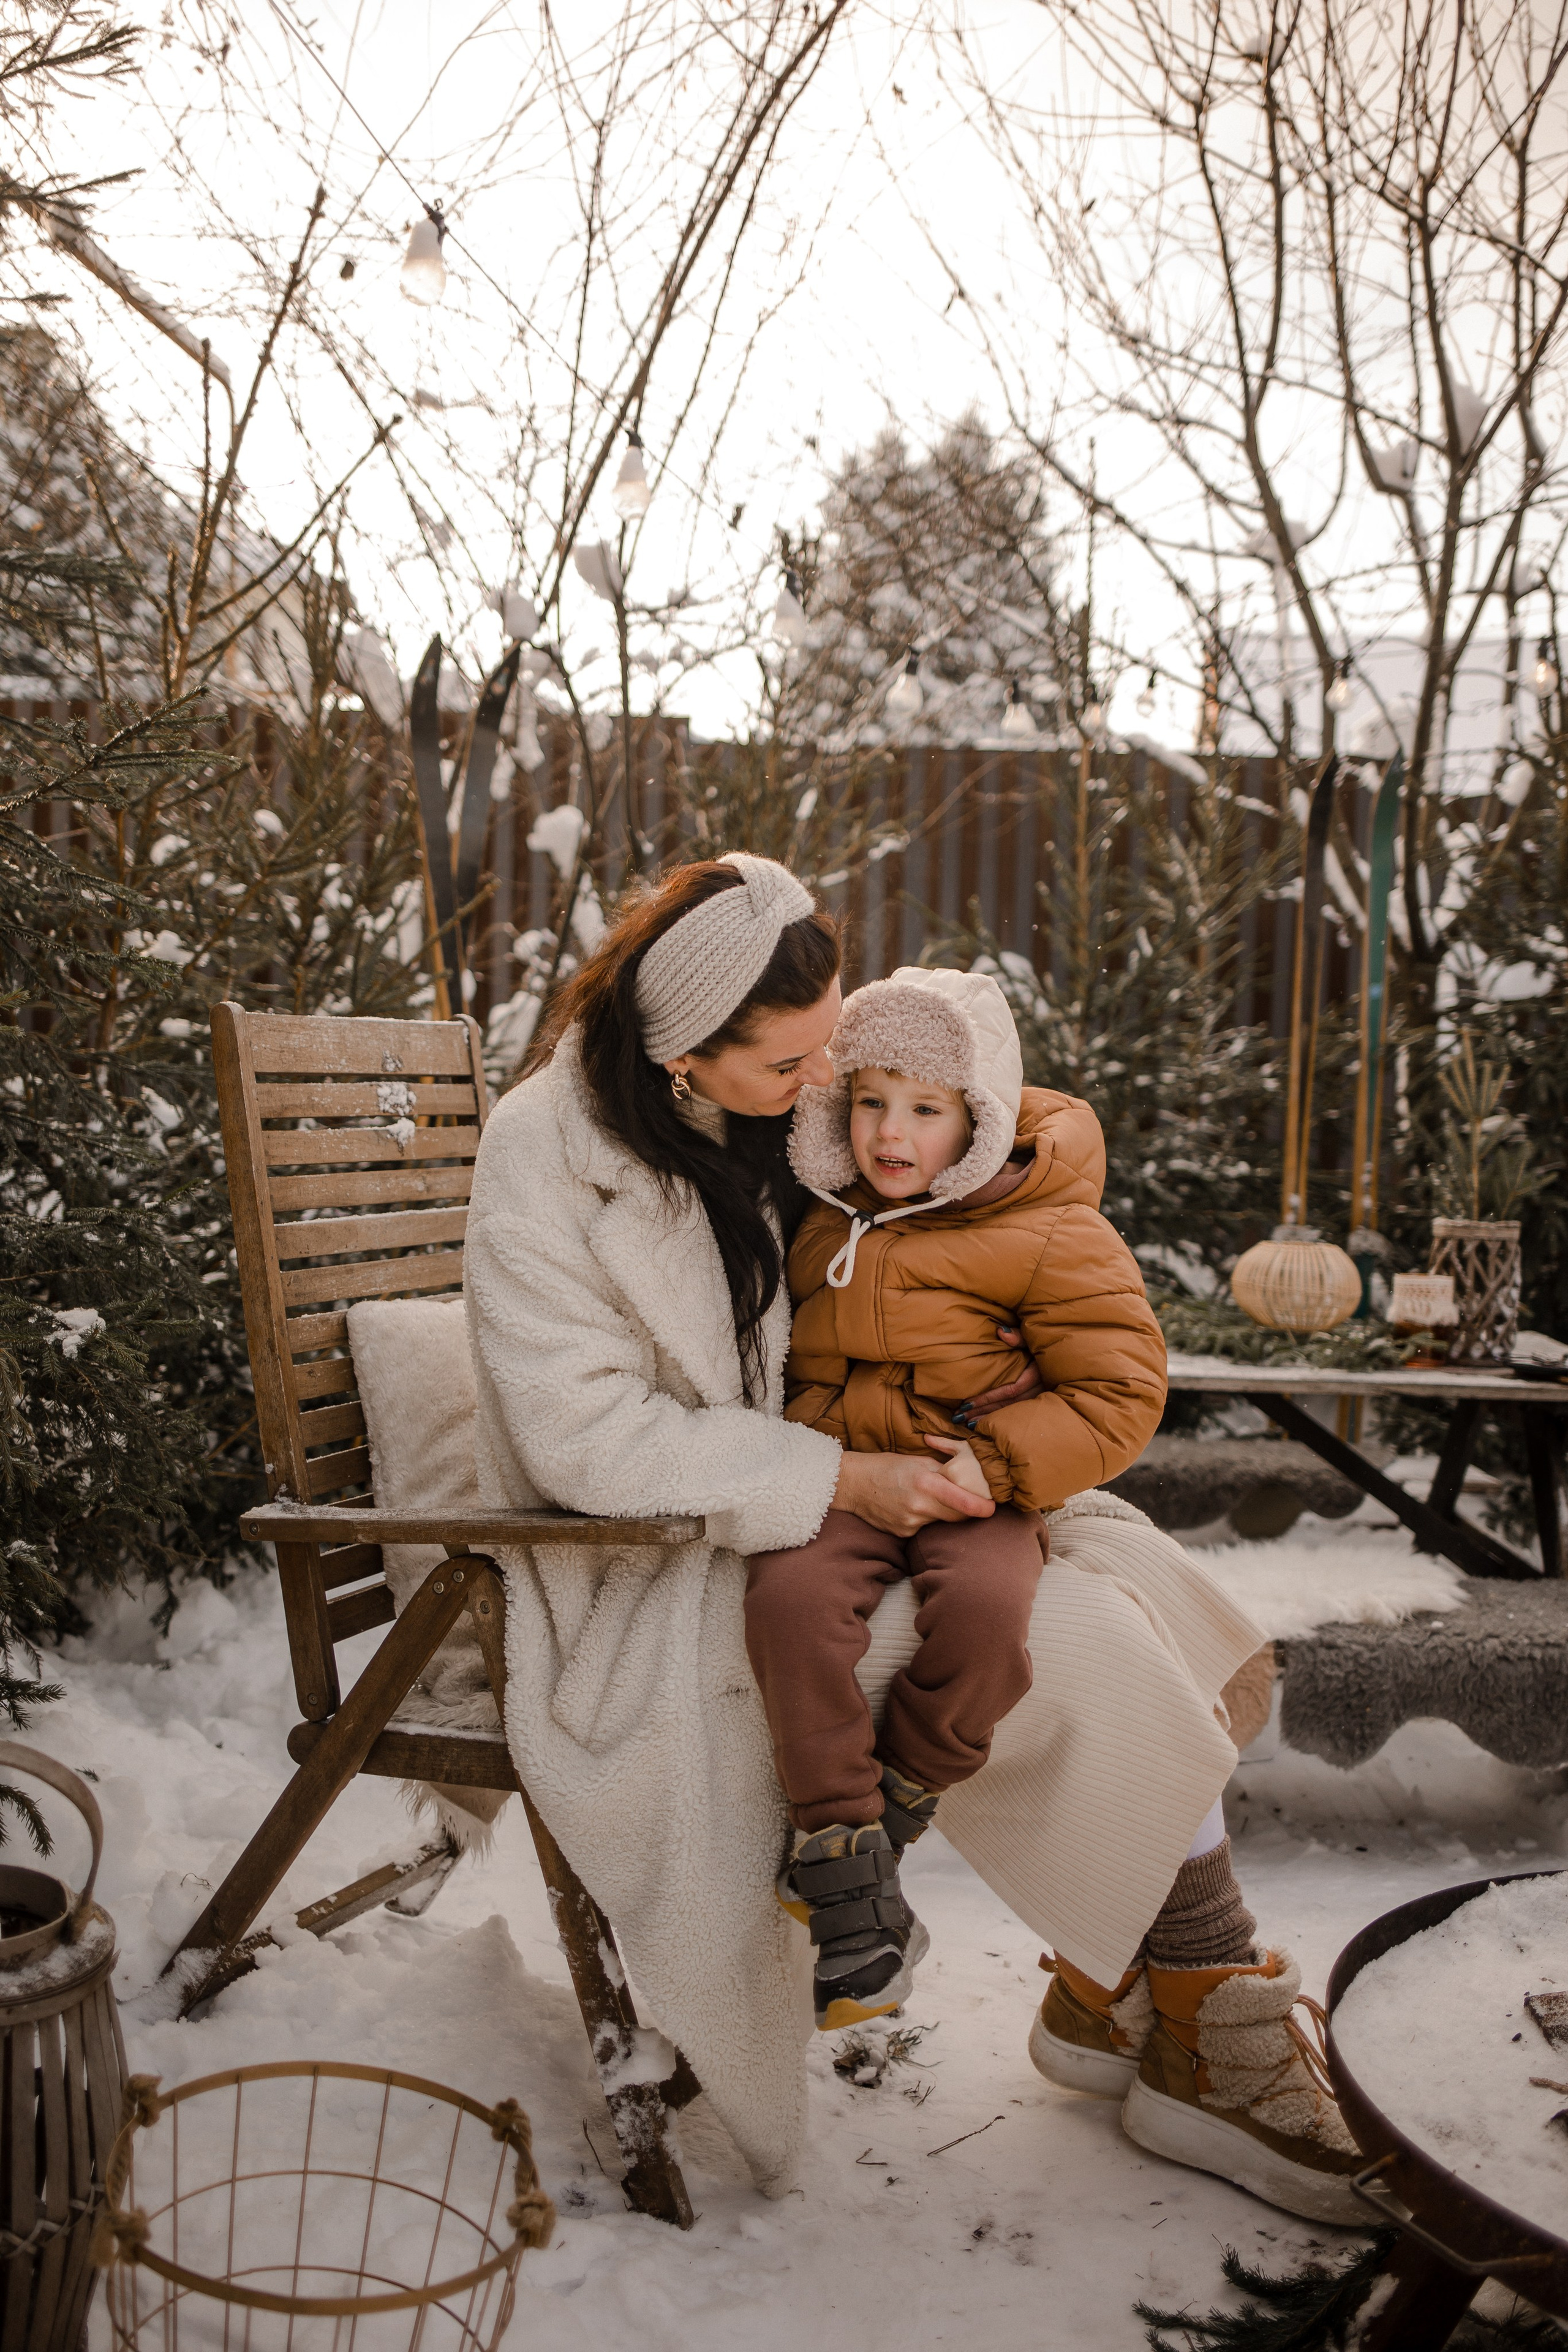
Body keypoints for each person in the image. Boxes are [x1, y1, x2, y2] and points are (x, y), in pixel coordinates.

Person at [463, 852, 1363, 2222]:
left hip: (857, 1473)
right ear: (687, 1061)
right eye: (795, 1065)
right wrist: (845, 1478)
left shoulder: (788, 1116)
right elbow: (582, 1441)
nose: (829, 1087)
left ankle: (1154, 1990)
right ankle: (1185, 2001)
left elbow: (971, 1209)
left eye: (835, 1050)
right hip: (661, 1541)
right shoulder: (552, 1158)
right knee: (1079, 1634)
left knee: (1105, 1585)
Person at [747, 963, 1167, 2031]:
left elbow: (1122, 1389)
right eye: (872, 1101)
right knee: (789, 1609)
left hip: (980, 1484)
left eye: (926, 1110)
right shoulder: (820, 1212)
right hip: (841, 1481)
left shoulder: (1050, 1227)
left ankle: (898, 1805)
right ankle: (839, 1854)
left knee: (987, 1620)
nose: (892, 1133)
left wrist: (999, 1465)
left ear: (975, 1119)